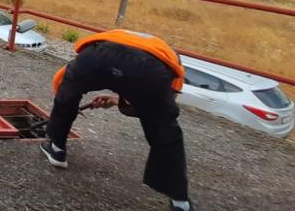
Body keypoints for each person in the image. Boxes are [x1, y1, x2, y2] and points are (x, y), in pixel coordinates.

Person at [41, 29, 193, 211]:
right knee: (166, 131)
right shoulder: (170, 62)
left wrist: (64, 107)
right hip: (148, 70)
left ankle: (57, 150)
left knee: (68, 92)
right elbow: (159, 107)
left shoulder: (112, 37)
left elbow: (62, 81)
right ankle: (180, 203)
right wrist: (126, 103)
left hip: (99, 57)